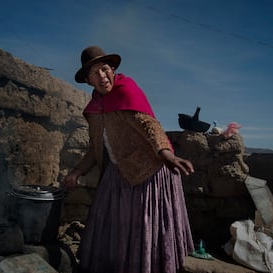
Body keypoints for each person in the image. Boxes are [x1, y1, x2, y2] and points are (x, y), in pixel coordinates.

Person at [63, 46, 195, 273]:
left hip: (147, 171)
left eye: (105, 69)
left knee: (144, 229)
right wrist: (76, 172)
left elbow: (149, 126)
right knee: (111, 230)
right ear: (87, 80)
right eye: (95, 73)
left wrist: (167, 154)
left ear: (112, 69)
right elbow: (96, 149)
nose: (102, 76)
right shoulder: (95, 109)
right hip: (117, 174)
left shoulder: (126, 92)